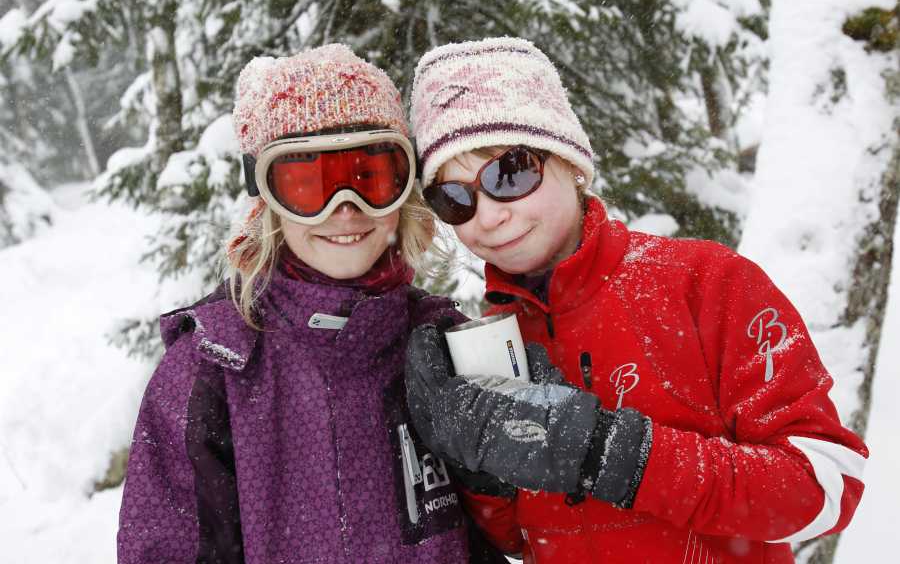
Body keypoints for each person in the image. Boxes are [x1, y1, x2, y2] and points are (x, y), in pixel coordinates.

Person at [404, 37, 868, 564]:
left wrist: (615, 453)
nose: (489, 216)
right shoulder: (497, 341)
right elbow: (518, 539)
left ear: (569, 160)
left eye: (509, 173)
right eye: (455, 199)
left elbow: (826, 487)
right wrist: (479, 472)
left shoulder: (706, 283)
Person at [117, 45, 484, 563]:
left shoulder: (441, 342)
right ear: (269, 202)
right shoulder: (212, 371)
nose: (345, 210)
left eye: (370, 177)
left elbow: (509, 530)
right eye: (308, 186)